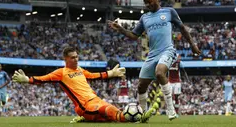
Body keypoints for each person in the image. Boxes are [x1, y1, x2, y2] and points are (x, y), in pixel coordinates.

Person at [108, 0, 201, 120]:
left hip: (167, 50)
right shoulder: (144, 18)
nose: (147, 5)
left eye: (149, 2)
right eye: (145, 3)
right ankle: (143, 114)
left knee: (159, 73)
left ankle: (170, 109)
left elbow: (182, 28)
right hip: (152, 55)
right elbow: (134, 35)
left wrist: (192, 44)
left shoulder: (169, 12)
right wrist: (121, 29)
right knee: (141, 86)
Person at [12, 47, 157, 123]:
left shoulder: (80, 70)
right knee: (109, 110)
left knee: (109, 117)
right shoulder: (60, 73)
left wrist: (110, 73)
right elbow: (43, 79)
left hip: (95, 99)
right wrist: (27, 79)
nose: (76, 59)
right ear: (66, 59)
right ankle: (137, 118)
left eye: (77, 57)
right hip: (85, 106)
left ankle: (87, 120)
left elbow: (93, 76)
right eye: (72, 57)